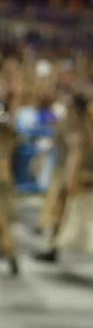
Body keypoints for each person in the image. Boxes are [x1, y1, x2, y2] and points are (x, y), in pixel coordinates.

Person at [34, 94, 93, 263]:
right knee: (68, 212)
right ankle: (52, 248)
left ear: (75, 109)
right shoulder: (90, 126)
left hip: (77, 176)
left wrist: (69, 180)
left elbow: (75, 154)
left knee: (89, 214)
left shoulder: (76, 128)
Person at [0, 103, 20, 276]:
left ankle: (11, 253)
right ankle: (9, 253)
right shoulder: (9, 133)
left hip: (3, 179)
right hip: (6, 180)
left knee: (4, 222)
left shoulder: (7, 134)